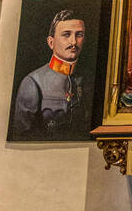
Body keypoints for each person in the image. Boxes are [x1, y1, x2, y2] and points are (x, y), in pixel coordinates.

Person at [12, 9, 86, 140]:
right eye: (66, 35)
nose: (73, 42)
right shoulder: (33, 82)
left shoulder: (88, 80)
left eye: (79, 34)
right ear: (51, 42)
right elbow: (22, 135)